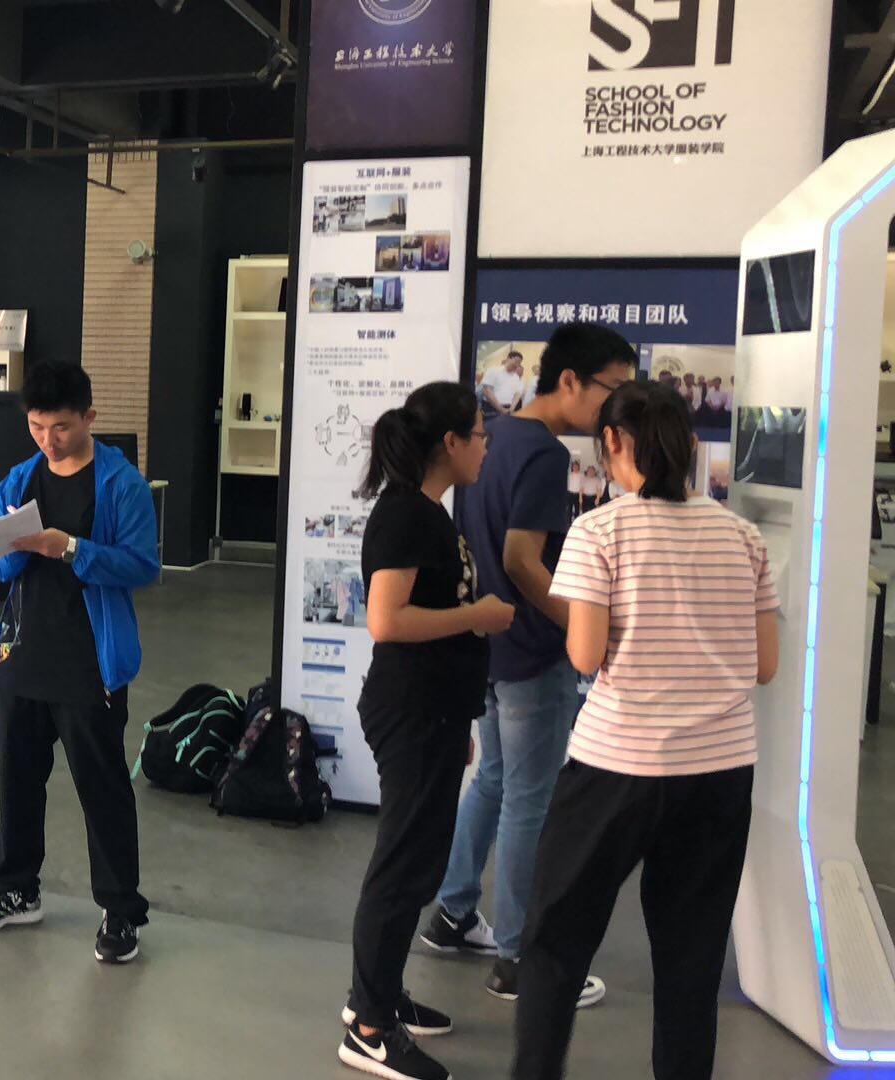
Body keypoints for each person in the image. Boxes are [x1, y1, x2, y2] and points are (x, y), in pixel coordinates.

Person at [515, 381, 779, 1080]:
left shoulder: (598, 531)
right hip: (720, 770)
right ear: (689, 444)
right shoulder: (742, 536)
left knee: (556, 942)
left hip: (616, 765)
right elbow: (765, 665)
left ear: (611, 442)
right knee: (692, 960)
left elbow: (584, 655)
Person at [419, 322, 636, 1010]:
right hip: (530, 650)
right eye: (612, 390)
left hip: (489, 644)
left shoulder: (497, 437)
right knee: (529, 799)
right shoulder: (542, 453)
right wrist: (581, 624)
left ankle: (453, 912)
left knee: (495, 780)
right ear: (570, 381)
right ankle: (518, 958)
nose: (617, 409)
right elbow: (521, 559)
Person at [0, 362, 159, 965]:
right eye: (37, 427)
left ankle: (121, 910)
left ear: (89, 417)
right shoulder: (20, 479)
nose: (48, 440)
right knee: (17, 778)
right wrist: (7, 547)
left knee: (102, 786)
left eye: (61, 427)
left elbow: (143, 565)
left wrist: (69, 547)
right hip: (21, 653)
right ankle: (15, 888)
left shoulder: (121, 485)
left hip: (88, 659)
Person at [339, 381, 514, 1080]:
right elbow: (387, 621)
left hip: (433, 713)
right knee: (402, 868)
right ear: (450, 441)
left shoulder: (427, 511)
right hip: (411, 712)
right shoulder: (408, 514)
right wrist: (479, 616)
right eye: (479, 435)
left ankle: (378, 994)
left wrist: (458, 719)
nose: (485, 447)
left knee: (417, 864)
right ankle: (369, 1026)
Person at [480, 351, 526, 418]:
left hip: (508, 409)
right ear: (508, 359)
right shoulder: (493, 371)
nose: (517, 365)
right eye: (516, 361)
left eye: (519, 363)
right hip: (491, 408)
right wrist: (501, 409)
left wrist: (511, 409)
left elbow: (517, 394)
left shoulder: (516, 377)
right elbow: (487, 391)